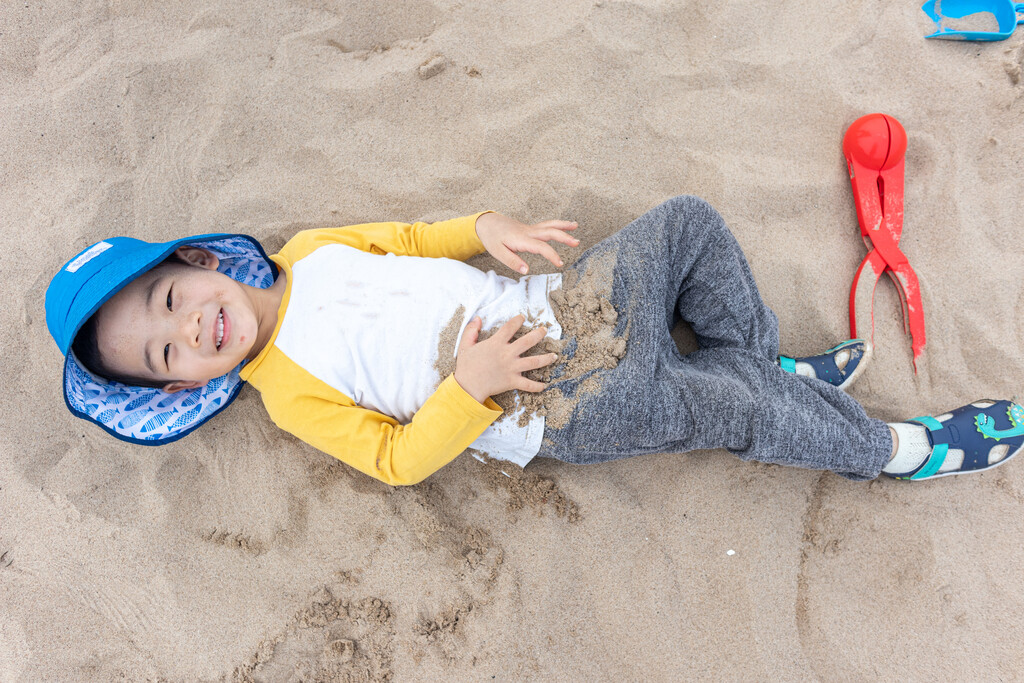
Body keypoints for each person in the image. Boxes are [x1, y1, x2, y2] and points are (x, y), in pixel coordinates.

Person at [45, 196, 1023, 485]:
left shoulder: (310, 249)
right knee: (717, 410)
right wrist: (467, 386)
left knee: (684, 223)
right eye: (166, 352)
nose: (188, 326)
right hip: (542, 405)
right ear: (182, 388)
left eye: (171, 295)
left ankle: (757, 360)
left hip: (562, 304)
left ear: (202, 262)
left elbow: (411, 241)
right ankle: (894, 451)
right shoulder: (289, 389)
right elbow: (392, 458)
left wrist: (483, 233)